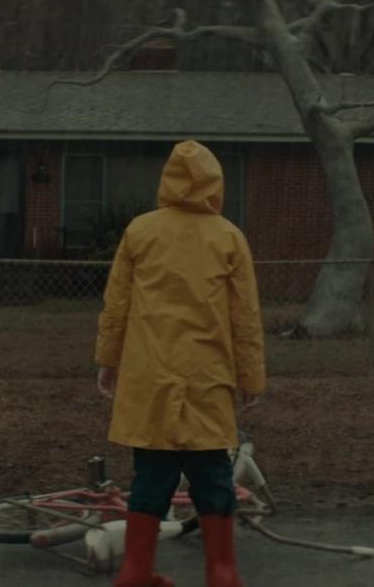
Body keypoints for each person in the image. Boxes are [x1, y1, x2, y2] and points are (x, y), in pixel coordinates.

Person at [95, 140, 266, 587]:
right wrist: (251, 378)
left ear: (167, 180)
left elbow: (117, 305)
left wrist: (108, 360)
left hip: (150, 378)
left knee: (152, 477)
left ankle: (134, 572)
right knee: (213, 478)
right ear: (214, 183)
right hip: (206, 380)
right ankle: (222, 572)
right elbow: (244, 316)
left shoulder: (141, 231)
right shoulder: (228, 237)